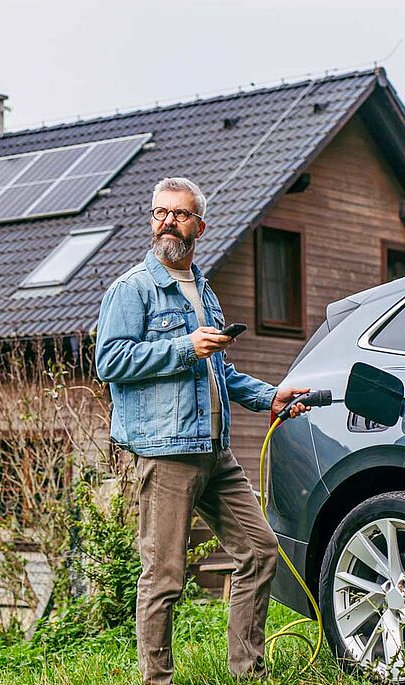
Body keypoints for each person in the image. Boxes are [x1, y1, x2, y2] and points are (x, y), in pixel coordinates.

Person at [95, 177, 311, 683]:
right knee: (165, 577)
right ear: (152, 221)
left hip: (215, 451)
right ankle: (157, 679)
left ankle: (247, 672)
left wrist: (268, 396)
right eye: (159, 213)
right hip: (167, 452)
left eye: (179, 214)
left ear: (199, 226)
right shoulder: (132, 290)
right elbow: (110, 360)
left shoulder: (205, 289)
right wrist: (182, 348)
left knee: (259, 552)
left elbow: (220, 371)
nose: (168, 221)